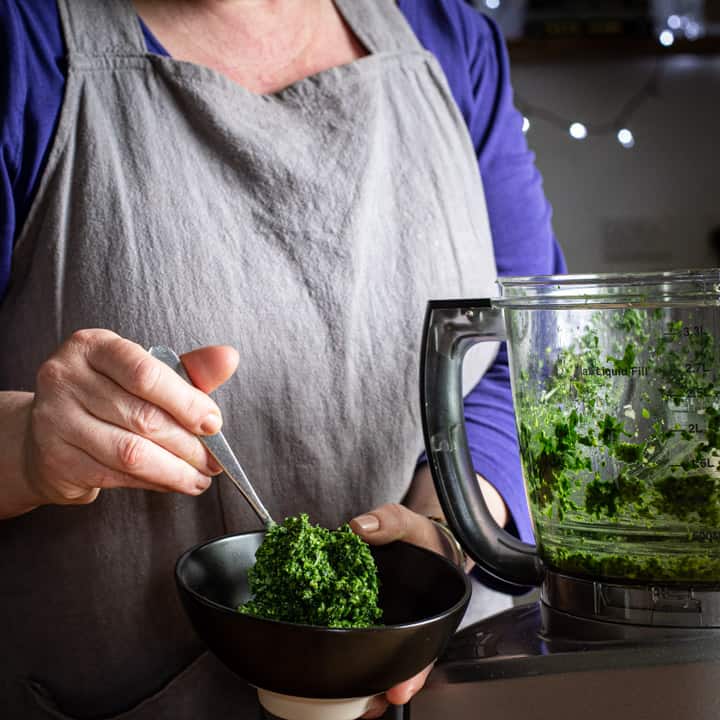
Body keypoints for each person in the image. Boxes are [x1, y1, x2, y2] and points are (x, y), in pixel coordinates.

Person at [0, 0, 565, 718]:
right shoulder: (22, 41)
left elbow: (526, 353)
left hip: (439, 693)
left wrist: (452, 524)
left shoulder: (452, 41)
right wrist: (23, 449)